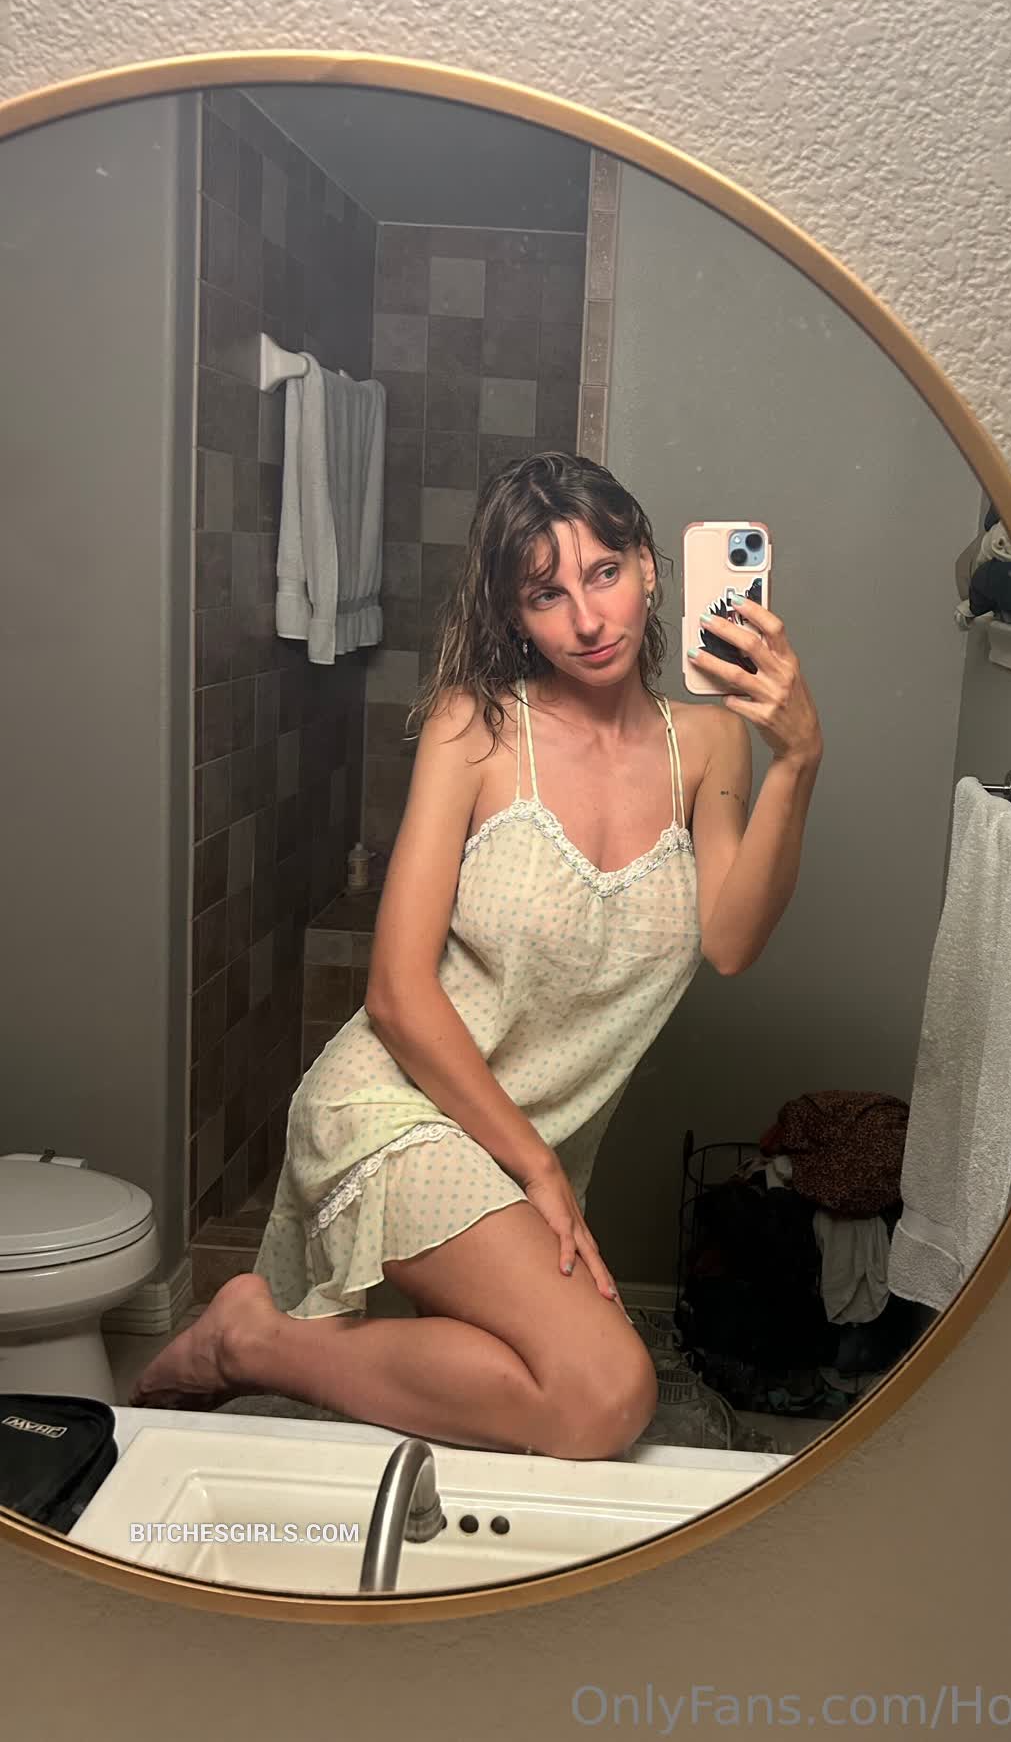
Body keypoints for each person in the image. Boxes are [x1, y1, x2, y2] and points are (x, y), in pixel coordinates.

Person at [131, 452, 823, 1460]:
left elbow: (730, 943)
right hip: (397, 1108)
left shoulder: (711, 742)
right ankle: (248, 1343)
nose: (587, 620)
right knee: (606, 1393)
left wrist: (798, 760)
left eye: (604, 573)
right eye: (546, 594)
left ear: (648, 566)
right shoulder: (475, 726)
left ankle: (262, 1341)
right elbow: (397, 993)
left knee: (539, 1399)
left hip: (518, 1152)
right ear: (512, 614)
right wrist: (536, 1166)